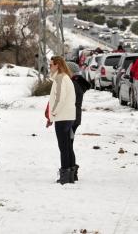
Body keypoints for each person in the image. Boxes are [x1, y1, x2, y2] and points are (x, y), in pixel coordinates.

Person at [46, 56, 76, 185]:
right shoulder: (66, 77)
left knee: (63, 147)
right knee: (67, 146)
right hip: (68, 116)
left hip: (62, 117)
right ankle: (71, 174)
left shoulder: (60, 78)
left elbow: (59, 99)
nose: (49, 67)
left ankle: (65, 175)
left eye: (51, 65)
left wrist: (53, 113)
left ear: (57, 65)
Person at [67, 62, 90, 182]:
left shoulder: (74, 84)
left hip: (72, 119)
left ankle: (72, 170)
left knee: (68, 145)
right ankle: (72, 169)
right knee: (68, 145)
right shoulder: (75, 83)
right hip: (73, 118)